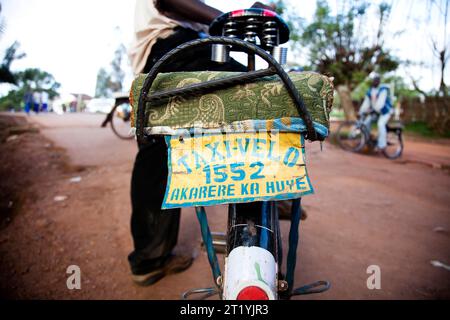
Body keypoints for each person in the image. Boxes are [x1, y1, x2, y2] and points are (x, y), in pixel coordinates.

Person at [127, 0, 274, 286]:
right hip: (176, 48)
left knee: (157, 155)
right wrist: (230, 19)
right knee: (263, 91)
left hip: (161, 58)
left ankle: (149, 259)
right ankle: (273, 185)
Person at [358, 74, 393, 151]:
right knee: (366, 123)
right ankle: (367, 142)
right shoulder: (370, 91)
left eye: (377, 80)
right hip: (376, 112)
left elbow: (380, 103)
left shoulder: (383, 89)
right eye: (374, 80)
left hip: (385, 112)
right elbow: (366, 103)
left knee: (380, 124)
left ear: (379, 81)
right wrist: (361, 111)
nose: (375, 81)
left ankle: (382, 145)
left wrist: (373, 109)